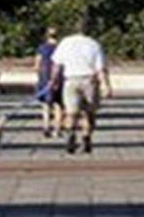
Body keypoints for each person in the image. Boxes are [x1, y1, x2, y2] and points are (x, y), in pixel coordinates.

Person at [49, 23, 111, 154]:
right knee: (89, 113)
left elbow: (56, 64)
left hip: (70, 80)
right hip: (89, 81)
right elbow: (100, 69)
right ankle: (86, 137)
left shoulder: (65, 43)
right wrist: (106, 85)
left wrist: (53, 80)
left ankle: (70, 134)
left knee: (71, 112)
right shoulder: (94, 44)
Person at [34, 28, 62, 138]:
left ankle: (46, 127)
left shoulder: (42, 48)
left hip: (44, 78)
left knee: (45, 105)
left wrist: (39, 76)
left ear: (46, 36)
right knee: (58, 105)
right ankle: (57, 129)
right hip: (58, 78)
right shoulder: (60, 48)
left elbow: (37, 65)